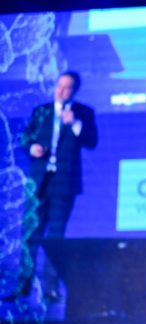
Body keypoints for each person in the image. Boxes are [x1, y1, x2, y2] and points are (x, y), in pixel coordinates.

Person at [18, 70, 98, 297]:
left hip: (64, 184)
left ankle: (50, 287)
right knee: (30, 233)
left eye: (67, 87)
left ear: (75, 90)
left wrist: (75, 124)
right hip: (39, 181)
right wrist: (32, 147)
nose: (61, 91)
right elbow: (25, 138)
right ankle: (23, 285)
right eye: (59, 86)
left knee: (55, 236)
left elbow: (92, 141)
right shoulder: (41, 111)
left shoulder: (84, 113)